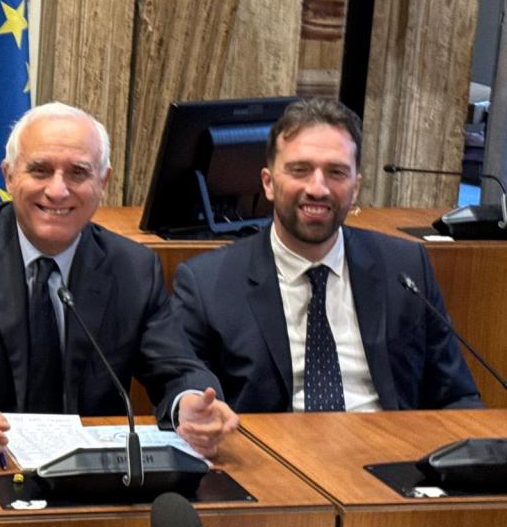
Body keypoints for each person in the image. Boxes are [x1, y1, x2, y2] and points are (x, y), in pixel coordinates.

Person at [0, 101, 238, 463]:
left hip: (94, 475)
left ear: (103, 182)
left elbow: (178, 368)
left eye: (78, 173)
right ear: (8, 176)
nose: (57, 191)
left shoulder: (133, 268)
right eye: (40, 170)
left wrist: (191, 404)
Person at [170, 98, 481, 412]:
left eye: (336, 172)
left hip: (388, 451)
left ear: (356, 187)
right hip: (271, 456)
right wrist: (194, 412)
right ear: (268, 183)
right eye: (300, 170)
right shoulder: (208, 284)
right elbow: (183, 388)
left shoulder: (405, 267)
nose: (318, 188)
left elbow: (457, 397)